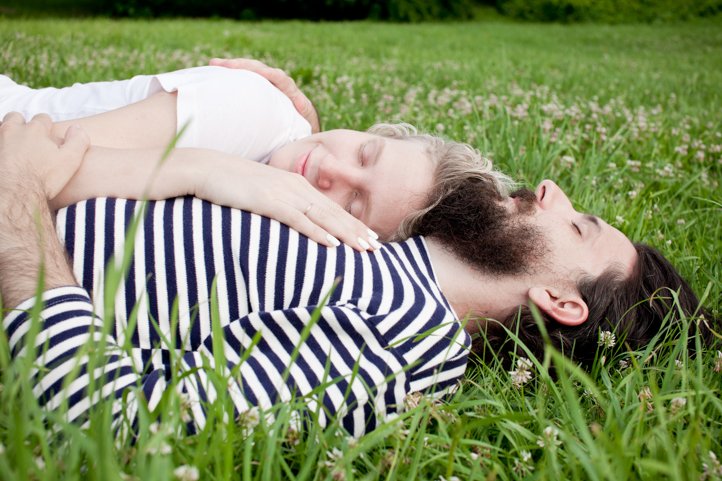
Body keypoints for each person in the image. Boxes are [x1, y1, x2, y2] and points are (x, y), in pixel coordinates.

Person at [1, 115, 713, 439]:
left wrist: (19, 208)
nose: (553, 188)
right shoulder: (393, 253)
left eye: (577, 225)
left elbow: (109, 419)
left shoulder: (403, 348)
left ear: (560, 301)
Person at [0, 63, 512, 250]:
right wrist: (202, 168)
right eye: (365, 150)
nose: (330, 169)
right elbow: (22, 162)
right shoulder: (255, 110)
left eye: (354, 205)